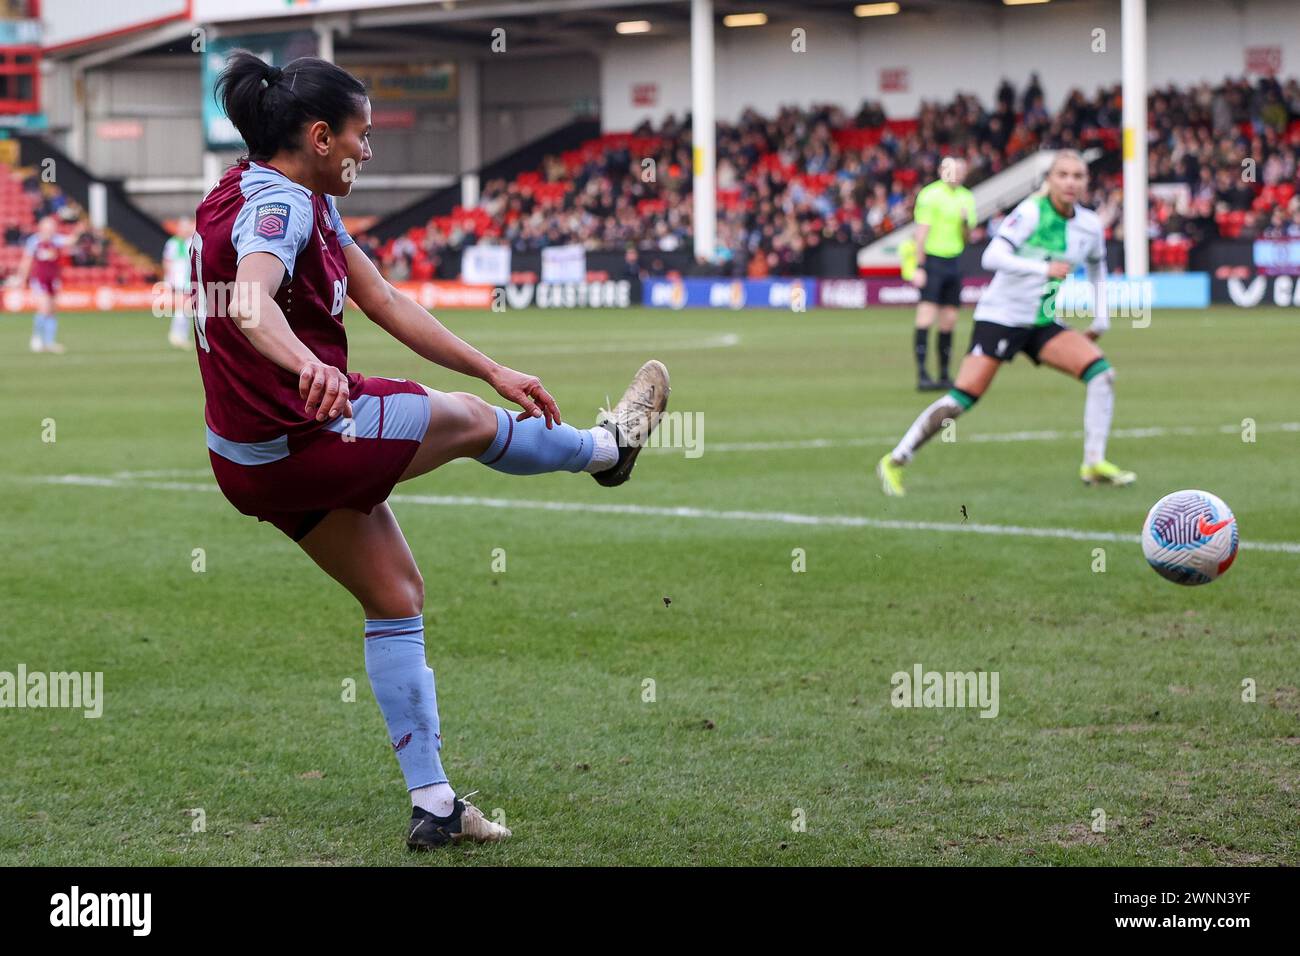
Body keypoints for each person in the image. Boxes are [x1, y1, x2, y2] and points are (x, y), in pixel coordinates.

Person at [195, 52, 670, 850]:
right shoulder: (282, 205)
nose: (367, 152)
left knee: (396, 594)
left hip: (245, 462)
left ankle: (437, 807)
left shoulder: (249, 190)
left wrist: (490, 363)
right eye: (361, 137)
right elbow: (249, 300)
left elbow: (381, 298)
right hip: (306, 437)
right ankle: (606, 449)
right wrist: (309, 364)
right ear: (318, 137)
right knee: (466, 422)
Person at [877, 150, 1135, 495]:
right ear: (1050, 180)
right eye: (1063, 175)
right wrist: (1042, 269)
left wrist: (1101, 317)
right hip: (1001, 317)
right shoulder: (1029, 212)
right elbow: (992, 255)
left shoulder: (1088, 225)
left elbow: (1097, 268)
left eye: (1078, 176)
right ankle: (896, 460)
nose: (1071, 182)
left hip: (1042, 321)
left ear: (1086, 182)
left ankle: (1093, 462)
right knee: (963, 398)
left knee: (1102, 375)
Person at [907, 157, 976, 390]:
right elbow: (921, 233)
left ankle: (945, 373)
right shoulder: (929, 195)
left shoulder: (967, 197)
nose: (956, 174)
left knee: (949, 320)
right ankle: (923, 374)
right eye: (951, 170)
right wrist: (920, 266)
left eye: (960, 170)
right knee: (926, 317)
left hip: (954, 262)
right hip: (933, 261)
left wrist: (966, 221)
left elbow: (967, 237)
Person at [16, 216, 75, 354]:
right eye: (48, 227)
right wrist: (22, 279)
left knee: (52, 311)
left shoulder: (56, 240)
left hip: (53, 279)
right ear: (41, 228)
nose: (50, 230)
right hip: (39, 279)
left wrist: (77, 229)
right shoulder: (34, 241)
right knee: (44, 308)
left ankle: (49, 342)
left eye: (52, 228)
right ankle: (36, 337)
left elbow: (71, 241)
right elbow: (27, 261)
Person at [163, 217, 195, 348]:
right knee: (183, 308)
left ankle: (179, 335)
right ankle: (177, 335)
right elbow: (167, 262)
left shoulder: (190, 241)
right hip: (179, 281)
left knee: (187, 309)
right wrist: (168, 279)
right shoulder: (173, 243)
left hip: (188, 281)